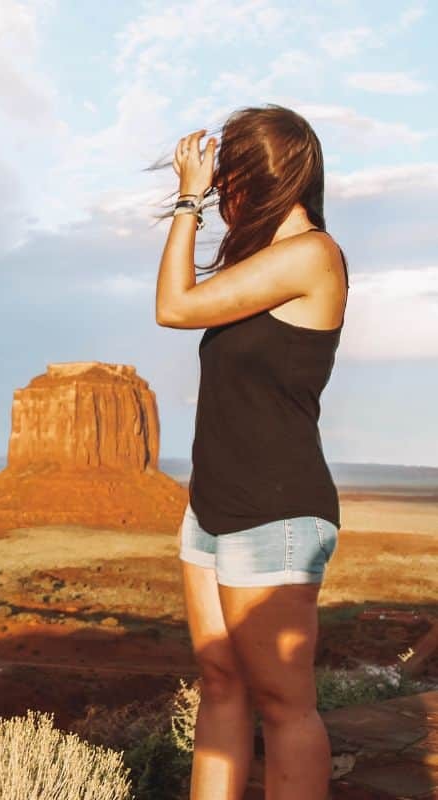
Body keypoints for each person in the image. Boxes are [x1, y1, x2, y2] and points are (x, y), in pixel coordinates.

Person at [153, 104, 349, 799]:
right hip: (213, 507)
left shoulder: (311, 256)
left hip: (277, 515)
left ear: (257, 180)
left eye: (225, 180)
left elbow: (174, 306)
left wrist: (185, 200)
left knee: (284, 705)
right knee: (220, 683)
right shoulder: (264, 263)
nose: (218, 195)